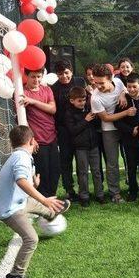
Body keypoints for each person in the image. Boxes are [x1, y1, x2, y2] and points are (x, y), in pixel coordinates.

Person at [0, 125, 68, 278]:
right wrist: (44, 198)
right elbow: (20, 181)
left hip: (17, 201)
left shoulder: (19, 155)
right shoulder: (21, 157)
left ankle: (52, 212)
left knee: (34, 203)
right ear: (32, 140)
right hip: (9, 209)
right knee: (31, 239)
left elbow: (21, 183)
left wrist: (35, 184)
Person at [90, 64, 132, 204]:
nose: (98, 86)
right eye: (95, 82)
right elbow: (106, 118)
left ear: (111, 78)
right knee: (112, 163)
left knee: (129, 159)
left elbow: (125, 90)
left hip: (125, 127)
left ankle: (133, 188)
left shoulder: (119, 82)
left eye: (101, 82)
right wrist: (126, 112)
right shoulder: (95, 98)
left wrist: (122, 94)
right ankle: (115, 193)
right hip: (109, 131)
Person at [50, 60, 86, 201]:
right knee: (66, 160)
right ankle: (69, 190)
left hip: (82, 126)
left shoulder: (80, 82)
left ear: (71, 71)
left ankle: (86, 190)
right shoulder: (54, 88)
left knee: (83, 160)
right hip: (64, 129)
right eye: (60, 74)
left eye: (66, 73)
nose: (64, 76)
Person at [22, 67, 60, 198]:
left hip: (51, 136)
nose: (36, 80)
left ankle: (53, 197)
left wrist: (33, 101)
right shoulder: (21, 92)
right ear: (26, 76)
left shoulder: (47, 89)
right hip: (37, 139)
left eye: (39, 76)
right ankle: (43, 199)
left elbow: (53, 109)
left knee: (55, 170)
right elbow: (23, 120)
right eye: (33, 76)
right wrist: (31, 139)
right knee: (42, 171)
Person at [64, 86, 103, 207]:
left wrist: (95, 118)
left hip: (94, 146)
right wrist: (85, 120)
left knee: (97, 171)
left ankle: (99, 194)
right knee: (83, 172)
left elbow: (96, 125)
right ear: (72, 101)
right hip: (81, 148)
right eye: (79, 101)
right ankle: (84, 196)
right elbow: (72, 130)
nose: (82, 103)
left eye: (84, 100)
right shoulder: (69, 113)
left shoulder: (89, 109)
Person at [114, 75, 139, 202]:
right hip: (129, 140)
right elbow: (117, 121)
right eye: (129, 87)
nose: (132, 89)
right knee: (131, 166)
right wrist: (130, 130)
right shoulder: (123, 101)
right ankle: (132, 191)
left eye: (134, 86)